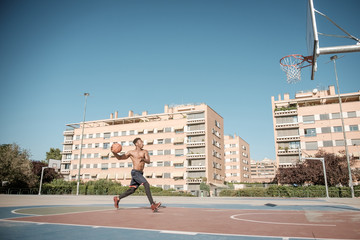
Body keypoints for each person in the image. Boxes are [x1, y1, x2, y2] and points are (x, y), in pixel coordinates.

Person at [111, 137, 161, 212]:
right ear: (136, 144)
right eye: (141, 142)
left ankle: (118, 198)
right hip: (135, 172)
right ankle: (152, 204)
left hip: (140, 173)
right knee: (146, 184)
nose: (143, 143)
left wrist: (143, 159)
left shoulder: (145, 152)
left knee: (132, 190)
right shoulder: (131, 152)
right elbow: (120, 158)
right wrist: (114, 153)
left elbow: (148, 161)